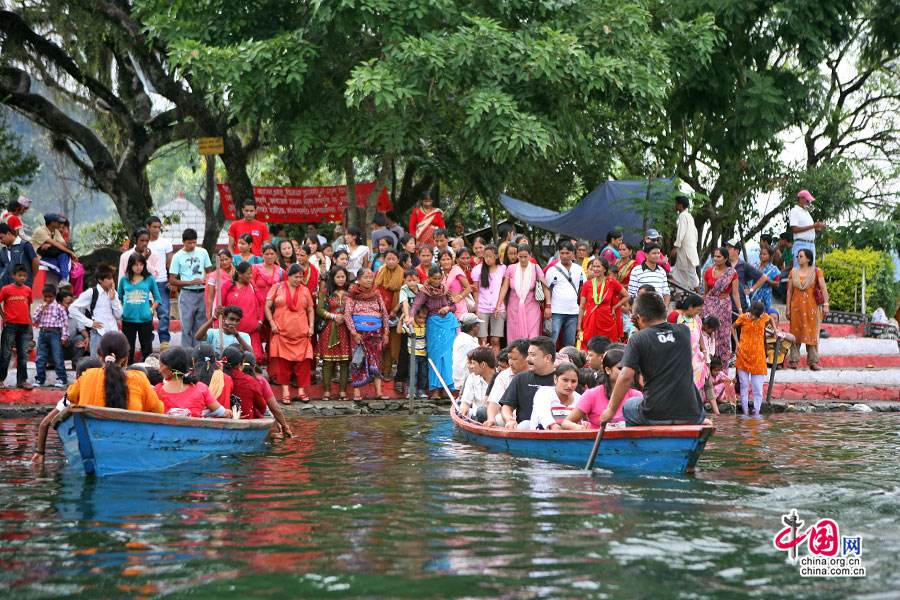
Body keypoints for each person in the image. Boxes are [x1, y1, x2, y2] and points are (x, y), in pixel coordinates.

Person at [599, 292, 707, 427]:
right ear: (665, 312)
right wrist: (641, 327)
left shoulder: (638, 339)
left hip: (656, 413)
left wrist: (610, 410)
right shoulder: (683, 331)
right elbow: (661, 337)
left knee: (629, 405)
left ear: (640, 318)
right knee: (700, 410)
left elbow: (626, 377)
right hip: (692, 412)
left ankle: (639, 445)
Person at [65, 331, 164, 413]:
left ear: (99, 355)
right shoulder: (139, 378)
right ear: (125, 357)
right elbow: (158, 410)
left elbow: (70, 396)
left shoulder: (88, 375)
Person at [30, 357, 103, 464]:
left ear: (78, 377)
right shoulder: (110, 392)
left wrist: (40, 452)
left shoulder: (70, 398)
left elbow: (45, 423)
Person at [265, 264, 316, 403]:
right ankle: (285, 393)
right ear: (288, 276)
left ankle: (301, 392)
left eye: (300, 277)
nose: (298, 279)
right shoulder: (277, 287)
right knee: (283, 365)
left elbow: (311, 310)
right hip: (281, 332)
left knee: (304, 364)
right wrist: (272, 324)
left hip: (302, 333)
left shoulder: (305, 291)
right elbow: (267, 307)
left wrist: (311, 327)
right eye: (295, 277)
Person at [409, 265, 458, 398]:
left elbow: (454, 305)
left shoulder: (445, 289)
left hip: (448, 324)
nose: (437, 281)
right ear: (429, 278)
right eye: (434, 279)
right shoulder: (424, 292)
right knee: (435, 357)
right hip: (433, 325)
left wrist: (447, 308)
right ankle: (436, 389)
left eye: (439, 278)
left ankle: (447, 388)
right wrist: (411, 317)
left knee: (448, 357)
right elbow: (415, 306)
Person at [562, 348, 640, 429]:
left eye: (627, 369)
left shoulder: (635, 395)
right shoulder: (592, 394)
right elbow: (566, 423)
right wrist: (579, 428)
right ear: (608, 370)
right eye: (620, 368)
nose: (625, 372)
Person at [345, 267, 390, 400]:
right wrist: (354, 333)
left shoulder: (376, 294)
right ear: (358, 280)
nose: (369, 280)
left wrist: (386, 332)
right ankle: (357, 393)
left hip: (375, 333)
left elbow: (384, 314)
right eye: (366, 277)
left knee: (376, 361)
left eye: (370, 277)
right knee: (358, 361)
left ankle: (378, 392)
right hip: (359, 334)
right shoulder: (353, 295)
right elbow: (347, 315)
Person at [155, 347, 231, 418]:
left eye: (161, 366)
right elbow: (223, 413)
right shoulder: (200, 388)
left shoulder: (157, 391)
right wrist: (230, 413)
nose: (160, 370)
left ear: (170, 368)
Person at [499, 336, 557, 428]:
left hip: (556, 432)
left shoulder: (563, 379)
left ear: (547, 358)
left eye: (532, 355)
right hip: (524, 433)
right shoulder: (520, 378)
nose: (527, 359)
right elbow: (506, 406)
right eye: (528, 354)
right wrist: (510, 420)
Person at [169, 229, 212, 350]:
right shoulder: (177, 256)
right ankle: (186, 354)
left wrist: (205, 280)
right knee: (186, 327)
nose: (192, 245)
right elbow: (172, 280)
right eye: (189, 243)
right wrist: (190, 282)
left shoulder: (203, 252)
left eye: (194, 242)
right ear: (183, 242)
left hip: (202, 292)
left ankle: (198, 354)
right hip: (187, 293)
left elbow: (210, 272)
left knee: (200, 327)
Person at [497, 244, 551, 340]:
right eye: (520, 256)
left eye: (525, 256)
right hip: (514, 308)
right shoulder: (511, 268)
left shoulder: (535, 268)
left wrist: (548, 306)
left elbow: (545, 287)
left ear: (530, 255)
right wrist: (498, 306)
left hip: (532, 308)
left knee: (533, 337)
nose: (523, 259)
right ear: (517, 255)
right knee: (514, 337)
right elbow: (504, 287)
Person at [786, 248, 829, 371]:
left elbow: (824, 289)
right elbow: (789, 292)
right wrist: (788, 309)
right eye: (798, 256)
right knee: (795, 333)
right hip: (796, 309)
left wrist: (826, 305)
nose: (798, 258)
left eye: (801, 256)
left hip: (812, 308)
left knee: (812, 333)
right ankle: (794, 360)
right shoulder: (793, 272)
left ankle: (813, 361)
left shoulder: (816, 271)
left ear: (808, 259)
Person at [118, 252, 161, 364]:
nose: (138, 267)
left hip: (145, 319)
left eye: (141, 265)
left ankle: (149, 373)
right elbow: (118, 298)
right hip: (128, 319)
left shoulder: (149, 279)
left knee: (147, 349)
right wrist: (123, 310)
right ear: (130, 265)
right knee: (128, 349)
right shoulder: (124, 279)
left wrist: (151, 310)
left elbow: (157, 299)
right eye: (136, 265)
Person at [70, 266, 122, 359]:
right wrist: (90, 323)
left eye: (112, 278)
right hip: (98, 332)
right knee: (96, 362)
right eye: (109, 279)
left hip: (112, 331)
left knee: (112, 361)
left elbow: (119, 314)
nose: (112, 281)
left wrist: (113, 299)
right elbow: (72, 308)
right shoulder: (92, 292)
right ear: (100, 280)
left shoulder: (113, 293)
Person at [317, 265, 352, 401]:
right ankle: (327, 391)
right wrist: (333, 316)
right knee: (327, 361)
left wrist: (345, 317)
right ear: (333, 278)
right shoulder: (325, 292)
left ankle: (343, 391)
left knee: (344, 361)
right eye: (338, 277)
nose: (341, 279)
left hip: (345, 328)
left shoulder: (350, 293)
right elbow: (319, 309)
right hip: (329, 328)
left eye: (343, 277)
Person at [702, 247, 741, 365]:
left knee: (723, 336)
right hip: (709, 305)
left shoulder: (731, 273)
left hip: (724, 307)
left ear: (725, 258)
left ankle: (721, 366)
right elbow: (706, 293)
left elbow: (735, 294)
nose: (716, 259)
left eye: (718, 256)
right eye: (714, 256)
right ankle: (707, 362)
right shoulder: (708, 272)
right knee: (707, 332)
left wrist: (740, 311)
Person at [544, 242, 587, 347]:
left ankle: (568, 362)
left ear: (573, 253)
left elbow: (583, 289)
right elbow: (546, 289)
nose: (564, 256)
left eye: (567, 253)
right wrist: (548, 306)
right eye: (562, 253)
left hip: (573, 311)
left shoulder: (579, 269)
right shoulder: (552, 270)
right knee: (551, 341)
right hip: (556, 311)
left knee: (569, 343)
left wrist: (582, 307)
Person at [578, 257, 629, 344]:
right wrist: (579, 326)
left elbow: (627, 296)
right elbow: (582, 307)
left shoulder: (611, 281)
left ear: (604, 269)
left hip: (607, 320)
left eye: (598, 267)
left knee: (608, 347)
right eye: (593, 266)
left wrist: (615, 307)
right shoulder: (587, 284)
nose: (595, 269)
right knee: (590, 346)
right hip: (590, 320)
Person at [732, 300, 770, 415]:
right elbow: (732, 327)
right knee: (743, 385)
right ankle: (745, 411)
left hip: (759, 357)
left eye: (756, 316)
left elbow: (772, 319)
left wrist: (775, 330)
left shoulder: (764, 317)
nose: (753, 317)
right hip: (743, 355)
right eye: (752, 314)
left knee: (757, 387)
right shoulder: (743, 317)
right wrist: (737, 343)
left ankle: (756, 411)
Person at [243, 351, 292, 437]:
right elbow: (275, 408)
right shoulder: (260, 381)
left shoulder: (230, 378)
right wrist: (285, 427)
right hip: (255, 416)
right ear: (254, 367)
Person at [220, 261, 263, 361]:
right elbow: (220, 306)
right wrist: (219, 324)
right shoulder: (227, 285)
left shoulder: (252, 284)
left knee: (252, 360)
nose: (251, 276)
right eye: (248, 273)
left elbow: (262, 302)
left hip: (251, 333)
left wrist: (260, 320)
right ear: (239, 274)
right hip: (232, 333)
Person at [483, 338, 529, 427]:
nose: (511, 362)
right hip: (508, 420)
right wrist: (491, 419)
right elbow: (494, 402)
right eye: (509, 358)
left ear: (527, 358)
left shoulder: (537, 374)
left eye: (514, 359)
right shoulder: (503, 376)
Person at [471, 244, 506, 355]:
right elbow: (475, 290)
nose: (488, 259)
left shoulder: (503, 269)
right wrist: (476, 309)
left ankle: (496, 365)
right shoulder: (478, 270)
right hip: (482, 307)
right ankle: (483, 363)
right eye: (485, 256)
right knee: (483, 340)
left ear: (496, 256)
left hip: (498, 307)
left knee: (496, 340)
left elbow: (504, 288)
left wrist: (499, 306)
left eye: (490, 256)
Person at [374, 248, 403, 378]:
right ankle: (378, 371)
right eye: (388, 259)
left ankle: (387, 371)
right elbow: (375, 289)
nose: (391, 262)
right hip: (380, 312)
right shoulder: (380, 271)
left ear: (398, 260)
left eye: (393, 259)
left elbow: (405, 294)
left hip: (396, 314)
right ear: (384, 260)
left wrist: (395, 310)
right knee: (381, 343)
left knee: (393, 344)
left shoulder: (402, 274)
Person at [145, 216, 174, 350]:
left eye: (158, 227)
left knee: (164, 312)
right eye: (154, 227)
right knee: (147, 312)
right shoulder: (143, 243)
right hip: (145, 282)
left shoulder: (165, 243)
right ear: (148, 227)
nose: (157, 229)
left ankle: (164, 339)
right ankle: (147, 337)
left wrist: (170, 279)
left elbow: (170, 262)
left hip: (161, 281)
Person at [527, 362, 581, 430]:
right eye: (565, 380)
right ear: (555, 379)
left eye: (573, 381)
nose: (569, 385)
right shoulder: (544, 393)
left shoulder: (580, 399)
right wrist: (552, 425)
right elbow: (543, 414)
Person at [252, 243, 284, 351]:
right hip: (258, 306)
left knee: (274, 332)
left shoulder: (280, 271)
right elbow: (251, 286)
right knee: (258, 332)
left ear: (276, 255)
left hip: (275, 308)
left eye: (272, 254)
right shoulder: (255, 269)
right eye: (267, 254)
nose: (269, 256)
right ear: (262, 255)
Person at [220, 345, 267, 419]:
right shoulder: (250, 380)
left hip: (218, 418)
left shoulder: (214, 375)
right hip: (244, 420)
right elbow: (262, 408)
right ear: (239, 365)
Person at [724, 239, 769, 313]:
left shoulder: (744, 265)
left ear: (737, 251)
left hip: (740, 305)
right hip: (724, 305)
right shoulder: (723, 265)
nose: (726, 251)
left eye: (729, 249)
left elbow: (763, 277)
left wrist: (750, 290)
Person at [32, 212, 78, 283]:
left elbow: (64, 244)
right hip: (40, 258)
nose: (59, 224)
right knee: (62, 268)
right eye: (58, 222)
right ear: (52, 223)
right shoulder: (40, 231)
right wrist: (71, 253)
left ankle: (63, 281)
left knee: (64, 255)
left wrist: (50, 245)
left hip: (52, 256)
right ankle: (64, 280)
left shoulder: (55, 231)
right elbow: (55, 243)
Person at [676, 294, 708, 390]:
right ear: (690, 307)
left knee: (698, 382)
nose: (698, 312)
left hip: (697, 355)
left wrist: (704, 351)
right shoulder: (680, 320)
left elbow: (700, 335)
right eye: (697, 310)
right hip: (685, 355)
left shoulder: (697, 319)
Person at [457, 345, 496, 422]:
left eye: (473, 363)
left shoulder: (502, 377)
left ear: (483, 364)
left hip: (497, 417)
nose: (471, 367)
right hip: (478, 417)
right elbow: (465, 402)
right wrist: (463, 408)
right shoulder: (472, 378)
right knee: (481, 411)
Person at [671, 195, 700, 292]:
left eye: (676, 204)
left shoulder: (682, 216)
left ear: (680, 205)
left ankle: (700, 295)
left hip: (686, 251)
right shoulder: (689, 216)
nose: (675, 205)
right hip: (689, 249)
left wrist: (676, 246)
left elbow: (681, 233)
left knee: (691, 273)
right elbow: (695, 233)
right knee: (679, 272)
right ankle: (678, 297)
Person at [192, 343, 232, 408]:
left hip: (194, 417)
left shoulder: (189, 380)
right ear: (215, 359)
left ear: (193, 361)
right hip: (222, 417)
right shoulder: (226, 378)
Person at [0, 222, 39, 288]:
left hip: (23, 286)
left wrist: (31, 278)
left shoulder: (25, 245)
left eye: (1, 238)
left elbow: (35, 262)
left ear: (8, 234)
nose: (0, 241)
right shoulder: (2, 251)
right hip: (6, 287)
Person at [789, 190, 824, 262]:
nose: (809, 203)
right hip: (801, 243)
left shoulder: (806, 212)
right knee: (799, 269)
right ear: (801, 199)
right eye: (807, 201)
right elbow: (794, 229)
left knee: (810, 270)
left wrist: (816, 227)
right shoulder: (795, 211)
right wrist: (813, 226)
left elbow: (809, 227)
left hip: (811, 243)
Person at [437, 249, 471, 320]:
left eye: (448, 259)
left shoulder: (456, 270)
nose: (446, 262)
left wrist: (458, 298)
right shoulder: (441, 277)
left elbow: (468, 288)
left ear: (452, 260)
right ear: (439, 262)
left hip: (459, 306)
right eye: (443, 260)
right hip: (448, 308)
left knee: (461, 329)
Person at [452, 313, 482, 390]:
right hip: (466, 383)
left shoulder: (469, 339)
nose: (479, 327)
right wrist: (460, 384)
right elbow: (459, 364)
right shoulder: (465, 342)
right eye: (478, 325)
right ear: (473, 327)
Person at [406, 307, 430, 398]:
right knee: (413, 372)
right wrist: (402, 320)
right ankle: (411, 391)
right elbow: (399, 331)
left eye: (423, 318)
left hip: (423, 353)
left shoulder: (425, 326)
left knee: (423, 373)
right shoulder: (411, 326)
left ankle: (422, 391)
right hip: (413, 354)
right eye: (419, 317)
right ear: (415, 316)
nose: (421, 320)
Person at [204, 249, 234, 318]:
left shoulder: (237, 274)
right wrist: (209, 316)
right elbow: (210, 297)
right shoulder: (214, 276)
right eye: (221, 260)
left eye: (226, 259)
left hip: (234, 307)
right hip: (219, 308)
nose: (224, 262)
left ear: (231, 259)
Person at [751, 245, 780, 311]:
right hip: (754, 294)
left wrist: (767, 280)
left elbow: (777, 284)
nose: (762, 256)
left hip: (766, 295)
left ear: (770, 256)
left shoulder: (774, 269)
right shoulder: (755, 266)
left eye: (764, 254)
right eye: (761, 254)